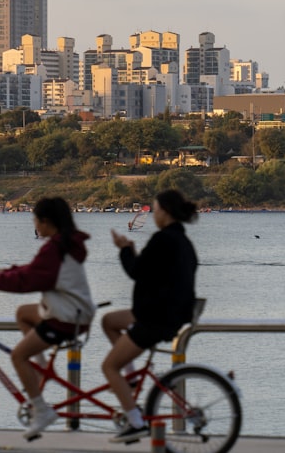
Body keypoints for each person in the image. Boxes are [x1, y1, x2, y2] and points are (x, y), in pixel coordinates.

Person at [0, 197, 94, 441]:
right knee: (23, 314)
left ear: (45, 221)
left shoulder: (54, 248)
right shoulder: (64, 244)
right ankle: (40, 368)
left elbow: (28, 281)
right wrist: (2, 273)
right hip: (74, 311)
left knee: (17, 356)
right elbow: (33, 270)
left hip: (65, 318)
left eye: (35, 219)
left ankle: (41, 410)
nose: (34, 224)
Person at [101, 189, 199, 444]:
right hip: (168, 313)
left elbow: (136, 272)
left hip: (155, 319)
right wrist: (132, 250)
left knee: (109, 367)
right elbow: (150, 273)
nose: (153, 215)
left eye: (154, 210)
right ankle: (132, 379)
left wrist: (124, 249)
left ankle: (135, 422)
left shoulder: (162, 239)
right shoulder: (183, 241)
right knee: (108, 321)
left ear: (165, 212)